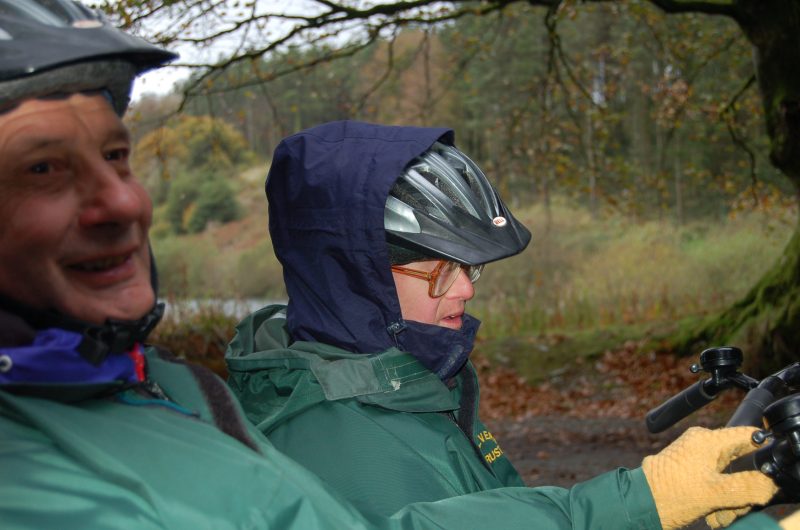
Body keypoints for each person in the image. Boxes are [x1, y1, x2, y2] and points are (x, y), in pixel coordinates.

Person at [0, 2, 787, 529]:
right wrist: (646, 501)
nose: (123, 203)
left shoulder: (182, 393)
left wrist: (669, 505)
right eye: (44, 168)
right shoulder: (343, 431)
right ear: (360, 277)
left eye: (116, 155)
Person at [225, 119, 781, 528]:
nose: (465, 288)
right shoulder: (336, 445)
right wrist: (645, 501)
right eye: (438, 271)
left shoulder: (400, 382)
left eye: (468, 268)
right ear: (351, 275)